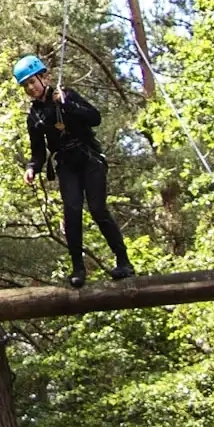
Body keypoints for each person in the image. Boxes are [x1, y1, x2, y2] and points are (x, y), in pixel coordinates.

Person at [15, 54, 135, 287]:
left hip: (89, 159)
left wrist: (67, 104)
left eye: (32, 82)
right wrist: (32, 168)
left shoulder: (67, 95)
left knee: (98, 208)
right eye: (26, 85)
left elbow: (95, 118)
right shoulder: (34, 116)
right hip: (66, 164)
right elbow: (38, 152)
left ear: (44, 78)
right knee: (72, 212)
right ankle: (78, 268)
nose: (30, 88)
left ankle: (123, 261)